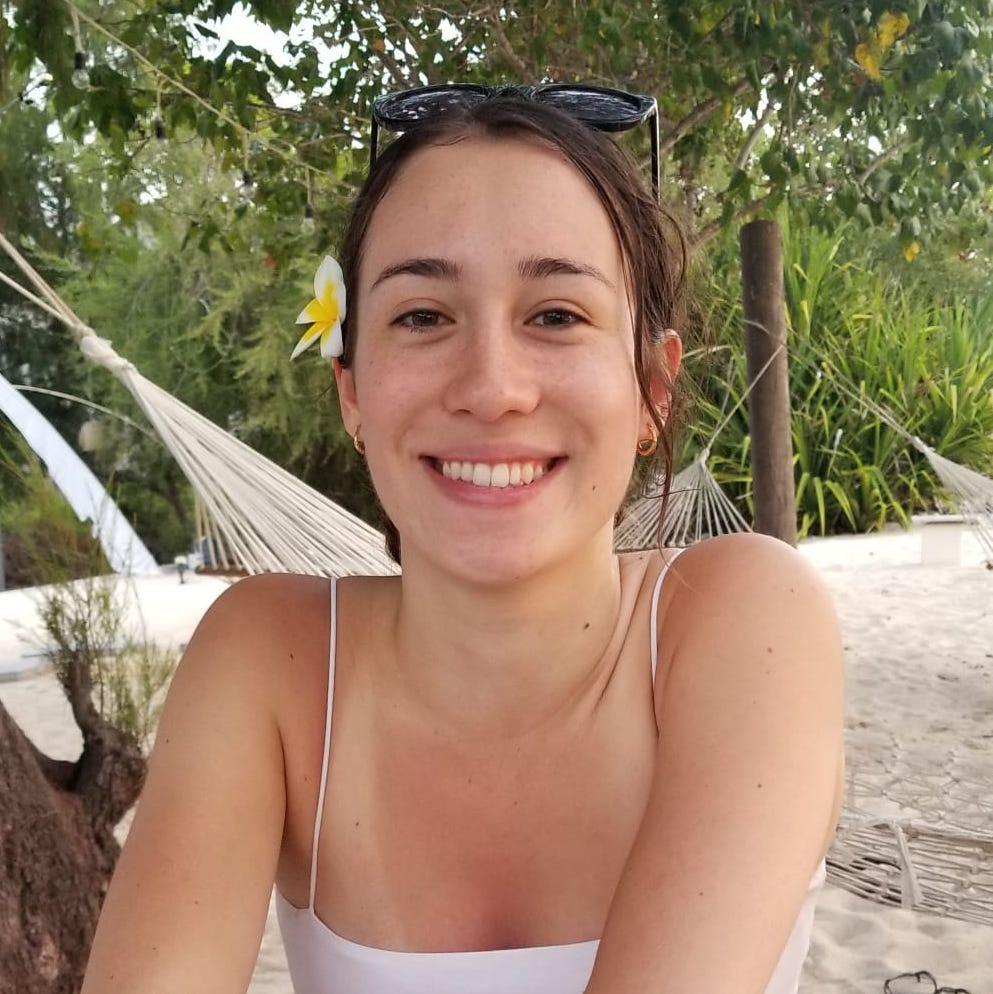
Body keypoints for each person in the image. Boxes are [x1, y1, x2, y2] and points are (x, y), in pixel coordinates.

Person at [81, 85, 845, 994]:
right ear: (352, 391)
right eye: (422, 316)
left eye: (556, 315)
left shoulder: (741, 617)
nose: (491, 388)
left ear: (651, 388)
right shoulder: (271, 663)